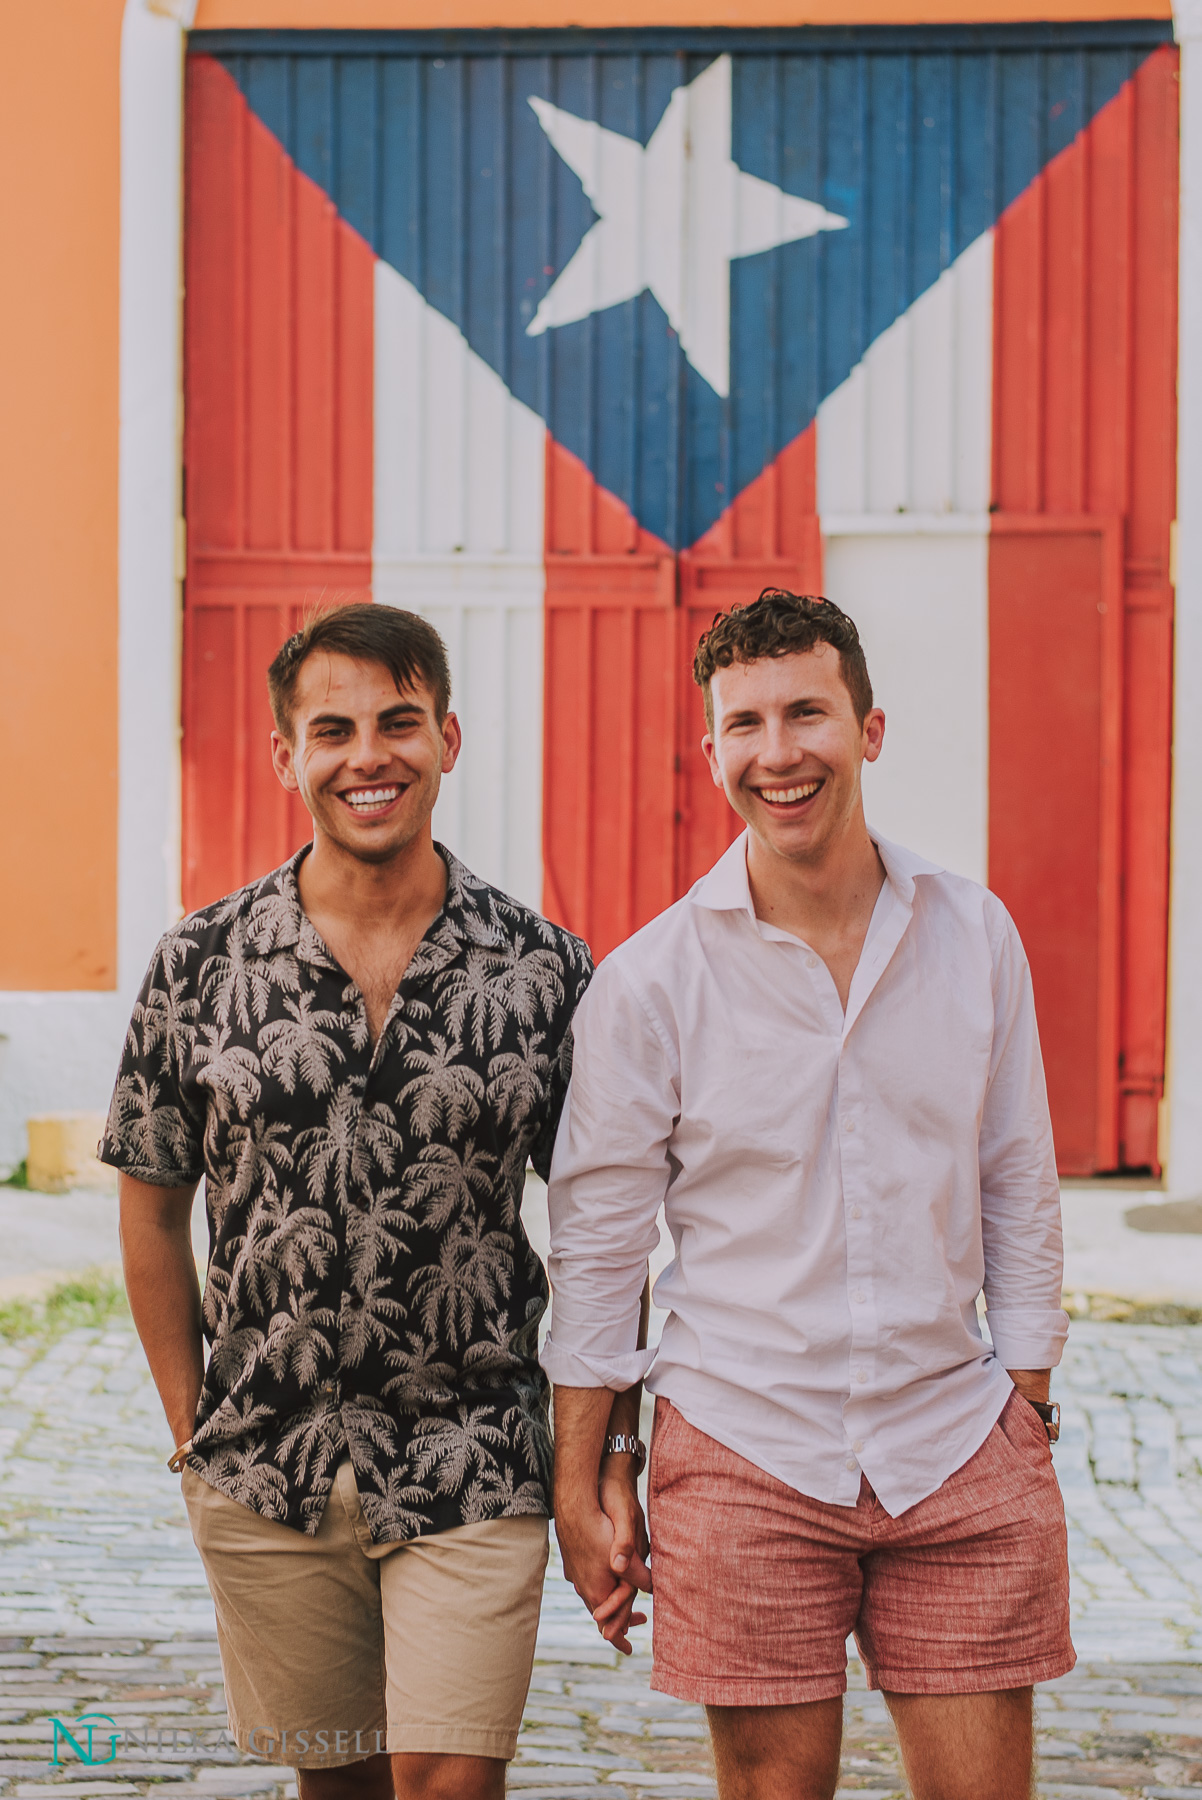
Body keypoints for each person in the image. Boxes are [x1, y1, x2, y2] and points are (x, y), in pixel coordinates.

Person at [543, 589, 1074, 1800]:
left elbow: (1015, 1176)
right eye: (743, 725)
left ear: (868, 729)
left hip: (954, 1446)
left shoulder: (971, 933)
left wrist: (1027, 1398)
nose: (776, 753)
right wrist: (586, 1480)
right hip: (743, 1448)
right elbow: (599, 1255)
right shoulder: (650, 985)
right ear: (710, 750)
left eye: (805, 714)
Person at [101, 603, 627, 1800]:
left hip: (476, 1447)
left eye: (398, 722)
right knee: (336, 1788)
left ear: (447, 737)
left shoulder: (544, 969)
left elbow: (604, 1225)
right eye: (330, 730)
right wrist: (193, 1428)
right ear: (285, 756)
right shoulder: (200, 964)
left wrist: (599, 1453)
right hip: (265, 1464)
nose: (368, 756)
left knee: (447, 1780)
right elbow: (150, 1200)